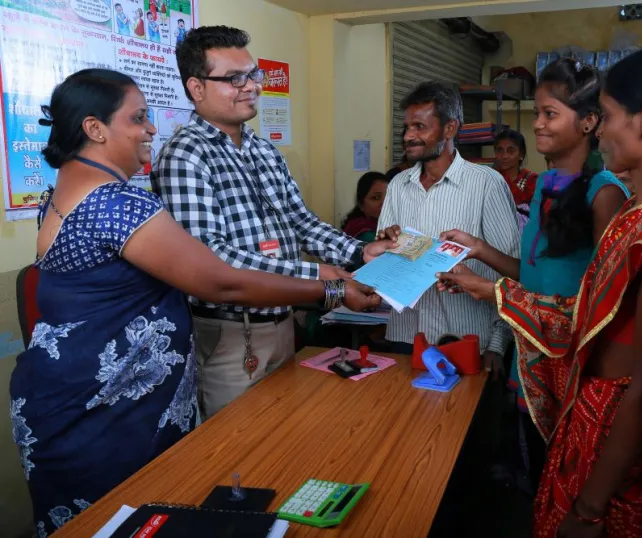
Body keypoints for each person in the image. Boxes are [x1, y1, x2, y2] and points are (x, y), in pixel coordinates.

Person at [9, 69, 381, 537]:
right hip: (109, 414)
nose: (151, 129)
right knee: (133, 518)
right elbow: (220, 283)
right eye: (138, 118)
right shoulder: (118, 205)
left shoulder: (60, 193)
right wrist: (329, 289)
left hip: (61, 399)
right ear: (94, 128)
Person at [437, 45, 642, 537]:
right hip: (587, 423)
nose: (601, 129)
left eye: (610, 116)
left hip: (614, 453)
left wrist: (589, 508)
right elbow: (588, 320)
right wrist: (492, 283)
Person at [154, 26, 390, 419]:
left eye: (254, 74)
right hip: (231, 334)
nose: (251, 87)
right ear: (196, 88)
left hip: (283, 322)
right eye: (235, 79)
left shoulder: (263, 150)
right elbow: (213, 258)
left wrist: (360, 250)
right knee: (239, 452)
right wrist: (320, 277)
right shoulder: (184, 156)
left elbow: (300, 220)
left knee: (283, 436)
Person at [438, 58, 629, 493]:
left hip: (576, 367)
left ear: (588, 122)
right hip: (533, 360)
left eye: (550, 114)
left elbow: (603, 305)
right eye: (537, 113)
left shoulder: (605, 195)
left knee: (569, 479)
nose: (538, 125)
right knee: (541, 476)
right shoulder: (544, 185)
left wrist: (489, 291)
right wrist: (480, 249)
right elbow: (532, 274)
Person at [376, 80, 520, 369]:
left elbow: (512, 273)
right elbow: (385, 262)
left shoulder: (485, 185)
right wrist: (385, 245)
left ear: (450, 129)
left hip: (467, 342)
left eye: (420, 127)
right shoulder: (398, 186)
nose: (408, 136)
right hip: (407, 338)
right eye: (407, 128)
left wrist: (497, 344)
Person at [493, 129, 539, 230]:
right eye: (500, 150)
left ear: (521, 154)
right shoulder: (489, 178)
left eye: (511, 150)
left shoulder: (533, 181)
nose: (504, 156)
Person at [341, 171, 389, 242]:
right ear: (361, 204)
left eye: (389, 196)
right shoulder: (365, 234)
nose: (385, 203)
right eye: (376, 197)